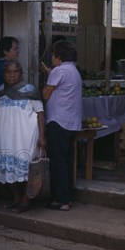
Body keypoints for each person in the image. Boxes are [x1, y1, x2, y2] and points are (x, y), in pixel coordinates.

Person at [0, 61, 46, 212]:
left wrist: (42, 136)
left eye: (15, 72)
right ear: (4, 74)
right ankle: (16, 198)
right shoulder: (0, 91)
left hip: (25, 136)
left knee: (27, 169)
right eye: (8, 72)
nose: (11, 75)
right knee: (6, 170)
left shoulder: (29, 90)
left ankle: (25, 200)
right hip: (5, 137)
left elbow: (40, 113)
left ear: (20, 73)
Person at [41, 40, 82, 211]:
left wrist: (48, 76)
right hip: (71, 122)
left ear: (58, 56)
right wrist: (51, 73)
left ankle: (62, 200)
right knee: (66, 161)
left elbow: (45, 94)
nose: (51, 56)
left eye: (53, 54)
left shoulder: (59, 71)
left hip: (58, 121)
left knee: (57, 162)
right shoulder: (73, 70)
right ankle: (67, 197)